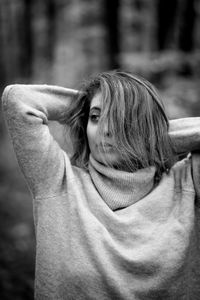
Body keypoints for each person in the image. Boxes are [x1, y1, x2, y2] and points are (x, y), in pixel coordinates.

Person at [2, 70, 200, 299]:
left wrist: (153, 135)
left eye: (119, 118)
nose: (104, 130)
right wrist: (85, 105)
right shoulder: (58, 182)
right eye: (95, 117)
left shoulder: (187, 184)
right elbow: (18, 98)